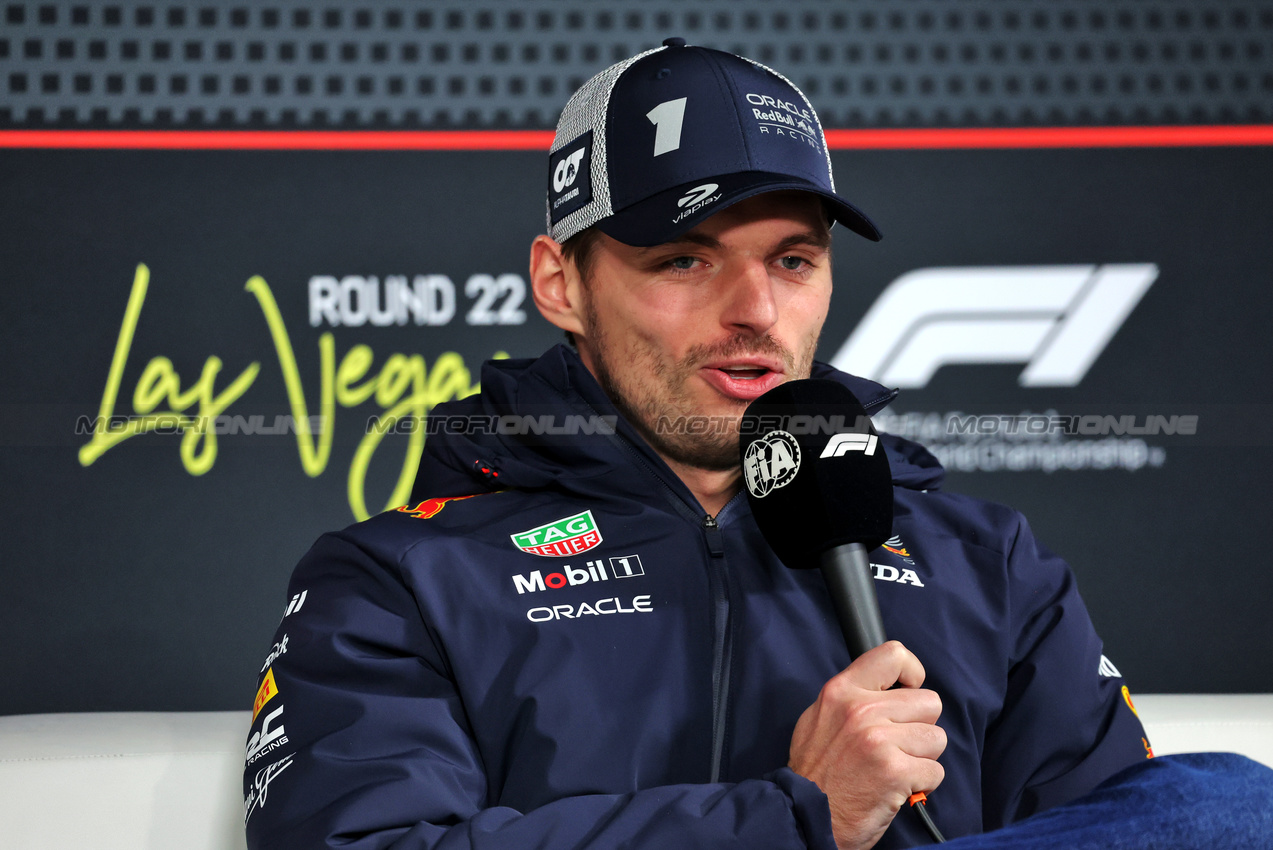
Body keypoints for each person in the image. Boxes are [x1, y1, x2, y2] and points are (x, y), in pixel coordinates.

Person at [243, 41, 1216, 850]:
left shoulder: (987, 564)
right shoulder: (397, 579)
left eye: (793, 260)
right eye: (684, 258)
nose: (755, 311)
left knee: (1226, 803)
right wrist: (795, 817)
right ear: (559, 281)